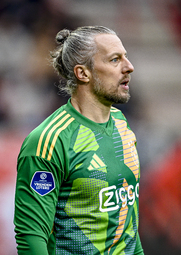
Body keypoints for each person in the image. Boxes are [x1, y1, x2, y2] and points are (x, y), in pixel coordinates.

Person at [14, 26, 144, 255]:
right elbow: (31, 236)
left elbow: (128, 228)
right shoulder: (49, 141)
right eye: (115, 60)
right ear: (83, 73)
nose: (129, 67)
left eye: (126, 57)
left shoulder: (121, 124)